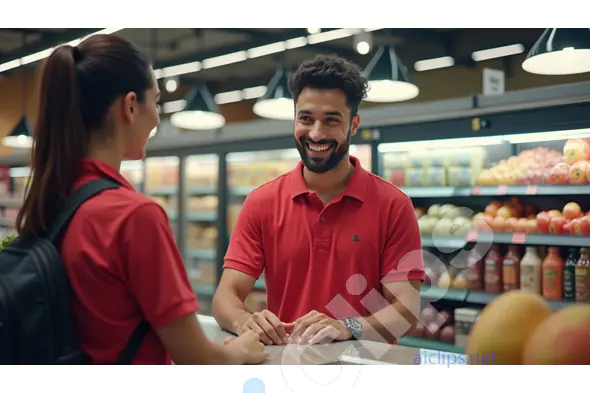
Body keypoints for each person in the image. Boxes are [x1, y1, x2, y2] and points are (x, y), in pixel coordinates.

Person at [15, 34, 267, 365]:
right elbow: (197, 359)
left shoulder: (51, 198)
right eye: (157, 102)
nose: (157, 119)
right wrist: (240, 351)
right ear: (131, 106)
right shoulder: (133, 216)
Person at [212, 55, 425, 346]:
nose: (316, 133)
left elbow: (406, 310)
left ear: (353, 125)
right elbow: (226, 296)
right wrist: (245, 321)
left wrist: (346, 326)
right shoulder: (261, 202)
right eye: (306, 118)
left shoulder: (393, 206)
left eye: (331, 120)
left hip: (364, 369)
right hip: (286, 365)